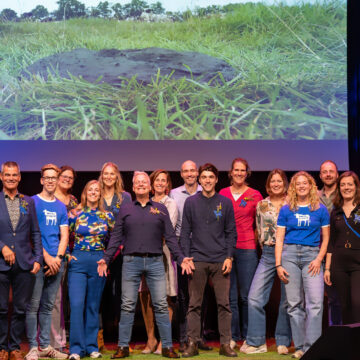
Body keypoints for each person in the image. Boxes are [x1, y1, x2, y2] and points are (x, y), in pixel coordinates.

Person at [97, 171, 194, 359]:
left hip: (155, 261)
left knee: (159, 304)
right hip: (130, 262)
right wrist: (107, 258)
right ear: (133, 188)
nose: (141, 185)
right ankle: (123, 347)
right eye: (137, 183)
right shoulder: (126, 209)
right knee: (127, 305)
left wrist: (181, 258)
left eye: (144, 182)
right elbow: (116, 237)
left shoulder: (160, 208)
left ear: (150, 187)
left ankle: (167, 346)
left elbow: (172, 239)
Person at [180, 163, 237, 358]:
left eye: (210, 177)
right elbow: (185, 232)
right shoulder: (191, 202)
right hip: (197, 260)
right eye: (204, 177)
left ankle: (225, 344)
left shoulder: (225, 202)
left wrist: (229, 257)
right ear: (199, 179)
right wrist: (186, 258)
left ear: (216, 180)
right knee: (194, 304)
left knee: (224, 304)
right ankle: (193, 343)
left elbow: (231, 233)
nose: (207, 180)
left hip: (220, 259)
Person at [275, 171, 330, 359]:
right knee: (293, 304)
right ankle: (300, 347)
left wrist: (318, 259)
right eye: (297, 183)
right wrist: (278, 264)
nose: (301, 186)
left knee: (315, 303)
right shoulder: (286, 209)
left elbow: (326, 239)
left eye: (304, 183)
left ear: (311, 185)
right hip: (289, 255)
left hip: (312, 256)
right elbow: (280, 239)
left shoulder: (320, 209)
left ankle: (312, 348)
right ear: (293, 187)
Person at [241, 169, 291, 355]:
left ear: (284, 183)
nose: (276, 184)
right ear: (268, 185)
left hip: (288, 253)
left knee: (287, 301)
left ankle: (283, 341)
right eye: (273, 181)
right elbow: (258, 229)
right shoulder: (261, 204)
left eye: (279, 181)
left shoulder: (292, 203)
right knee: (254, 298)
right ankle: (256, 341)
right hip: (268, 254)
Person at [25, 164, 69, 360]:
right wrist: (46, 258)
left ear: (58, 181)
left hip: (56, 263)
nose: (51, 180)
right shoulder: (32, 202)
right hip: (38, 261)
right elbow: (30, 235)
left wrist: (58, 259)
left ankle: (45, 346)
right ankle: (33, 348)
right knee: (33, 305)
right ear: (42, 180)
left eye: (54, 177)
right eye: (47, 177)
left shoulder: (61, 206)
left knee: (48, 306)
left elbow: (64, 235)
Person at [67, 180, 115, 360]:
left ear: (100, 194)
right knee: (77, 305)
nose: (94, 192)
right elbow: (62, 235)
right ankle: (76, 349)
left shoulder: (107, 216)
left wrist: (107, 258)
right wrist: (66, 254)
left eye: (97, 190)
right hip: (78, 262)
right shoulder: (74, 214)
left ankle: (92, 346)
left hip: (98, 263)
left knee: (93, 306)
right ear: (85, 193)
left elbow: (116, 240)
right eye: (90, 190)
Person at [0, 161, 42, 360]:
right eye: (7, 174)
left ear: (19, 177)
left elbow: (35, 232)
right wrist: (2, 247)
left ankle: (15, 347)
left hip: (24, 263)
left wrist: (38, 259)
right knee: (0, 308)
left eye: (14, 175)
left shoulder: (28, 201)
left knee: (19, 308)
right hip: (0, 263)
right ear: (1, 176)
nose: (10, 178)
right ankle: (1, 347)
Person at [219, 158, 262, 348]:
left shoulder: (255, 195)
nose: (239, 173)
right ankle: (233, 336)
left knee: (246, 296)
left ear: (247, 173)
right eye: (236, 170)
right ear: (230, 172)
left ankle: (248, 335)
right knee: (230, 297)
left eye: (242, 170)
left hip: (248, 249)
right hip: (226, 250)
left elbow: (261, 224)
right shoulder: (223, 193)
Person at [169, 161, 211, 352]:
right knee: (185, 294)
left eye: (192, 170)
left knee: (202, 293)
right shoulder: (175, 193)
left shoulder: (206, 189)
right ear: (181, 173)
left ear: (198, 172)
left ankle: (199, 336)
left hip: (203, 245)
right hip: (182, 244)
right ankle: (185, 337)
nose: (189, 174)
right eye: (185, 171)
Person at [139, 170, 178, 354]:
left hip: (163, 253)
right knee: (145, 295)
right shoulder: (144, 201)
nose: (160, 183)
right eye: (157, 180)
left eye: (164, 180)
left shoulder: (171, 204)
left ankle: (164, 341)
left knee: (165, 297)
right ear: (151, 183)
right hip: (142, 253)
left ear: (168, 184)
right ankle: (151, 339)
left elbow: (165, 230)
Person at [98, 162, 132, 349]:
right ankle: (99, 336)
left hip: (122, 252)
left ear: (117, 176)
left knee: (121, 295)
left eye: (112, 173)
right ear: (101, 176)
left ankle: (123, 339)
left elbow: (129, 224)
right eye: (106, 173)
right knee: (99, 294)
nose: (109, 177)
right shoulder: (96, 194)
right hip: (100, 253)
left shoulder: (125, 197)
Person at [324, 171, 360, 324]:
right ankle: (349, 343)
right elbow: (331, 241)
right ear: (339, 188)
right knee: (343, 305)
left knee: (357, 303)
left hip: (358, 264)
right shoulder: (335, 212)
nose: (346, 187)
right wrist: (327, 268)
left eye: (350, 184)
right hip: (338, 265)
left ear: (356, 187)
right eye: (343, 185)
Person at [51, 165, 78, 351]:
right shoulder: (49, 198)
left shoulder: (74, 200)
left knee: (68, 298)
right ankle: (53, 340)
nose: (67, 179)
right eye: (64, 176)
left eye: (71, 178)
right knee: (53, 299)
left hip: (73, 254)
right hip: (53, 254)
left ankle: (66, 338)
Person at [318, 160, 342, 326]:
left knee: (337, 297)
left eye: (331, 171)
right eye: (325, 172)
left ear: (337, 174)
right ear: (320, 175)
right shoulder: (314, 197)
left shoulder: (344, 195)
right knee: (317, 298)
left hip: (338, 251)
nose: (328, 174)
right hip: (317, 251)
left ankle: (340, 334)